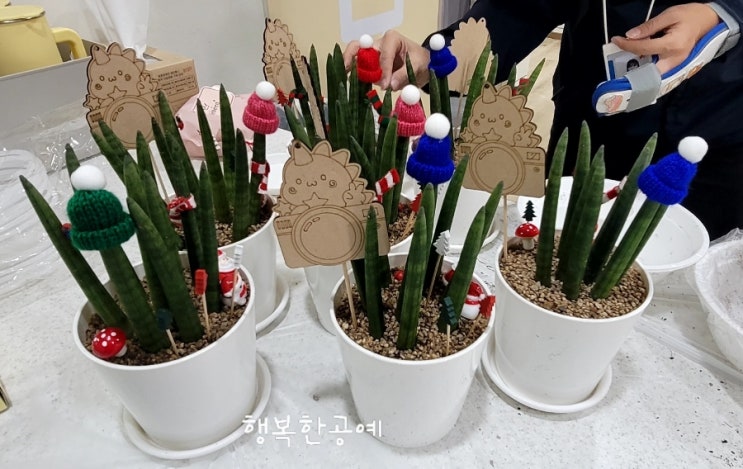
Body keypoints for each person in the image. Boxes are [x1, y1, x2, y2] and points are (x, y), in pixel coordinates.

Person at [343, 1, 743, 240]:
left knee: (683, 259)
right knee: (564, 240)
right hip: (590, 116)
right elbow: (517, 10)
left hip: (716, 129)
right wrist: (439, 57)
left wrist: (722, 13)